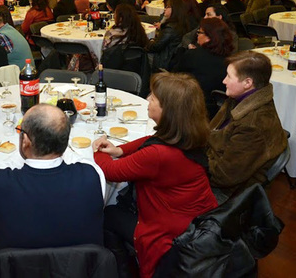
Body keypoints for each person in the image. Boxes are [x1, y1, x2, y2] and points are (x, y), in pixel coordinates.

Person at [93, 72, 218, 278]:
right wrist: (119, 150)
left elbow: (111, 172)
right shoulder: (190, 132)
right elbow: (151, 138)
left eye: (153, 97)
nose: (148, 99)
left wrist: (97, 149)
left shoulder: (158, 155)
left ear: (168, 110)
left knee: (108, 215)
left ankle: (124, 270)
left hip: (169, 230)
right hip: (198, 215)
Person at [0, 104, 105, 250]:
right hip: (80, 268)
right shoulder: (92, 175)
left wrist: (25, 148)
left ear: (25, 140)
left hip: (15, 269)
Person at [208, 51, 287, 201]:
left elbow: (224, 176)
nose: (224, 81)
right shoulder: (240, 98)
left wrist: (194, 158)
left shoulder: (253, 125)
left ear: (247, 83)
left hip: (229, 193)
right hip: (216, 166)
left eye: (229, 76)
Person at [173, 18, 234, 118]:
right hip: (220, 113)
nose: (197, 35)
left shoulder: (193, 55)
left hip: (190, 108)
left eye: (199, 32)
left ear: (208, 37)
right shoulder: (231, 61)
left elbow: (175, 77)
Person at [146, 0, 190, 72]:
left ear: (175, 10)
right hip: (171, 58)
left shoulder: (170, 28)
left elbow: (155, 47)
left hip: (163, 60)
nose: (165, 9)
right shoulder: (182, 23)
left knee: (140, 54)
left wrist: (146, 42)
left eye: (168, 7)